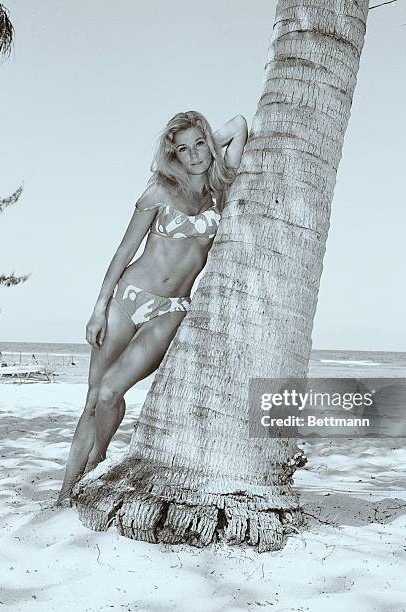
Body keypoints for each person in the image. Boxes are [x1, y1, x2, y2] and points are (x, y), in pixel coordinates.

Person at [56, 111, 248, 506]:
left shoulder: (221, 190)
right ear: (172, 155)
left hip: (172, 308)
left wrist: (203, 137)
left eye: (199, 145)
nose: (194, 155)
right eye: (183, 149)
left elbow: (241, 123)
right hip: (127, 298)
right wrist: (99, 307)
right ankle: (66, 491)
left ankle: (99, 459)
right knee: (93, 399)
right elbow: (125, 250)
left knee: (111, 392)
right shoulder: (160, 190)